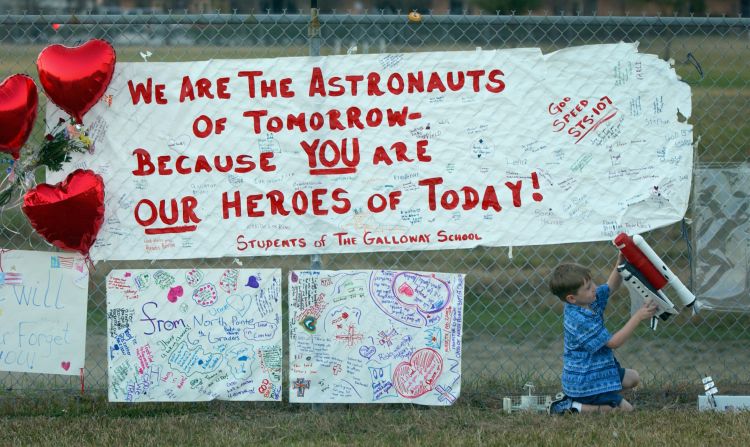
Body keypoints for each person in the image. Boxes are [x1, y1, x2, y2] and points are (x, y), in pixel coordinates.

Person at [547, 254, 658, 414]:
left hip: (598, 372)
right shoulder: (579, 320)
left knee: (633, 378)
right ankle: (573, 406)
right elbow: (613, 343)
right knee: (626, 410)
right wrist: (638, 316)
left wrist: (619, 265)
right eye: (587, 287)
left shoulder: (587, 301)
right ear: (571, 298)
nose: (594, 288)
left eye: (591, 283)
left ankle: (607, 396)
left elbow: (610, 286)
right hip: (585, 382)